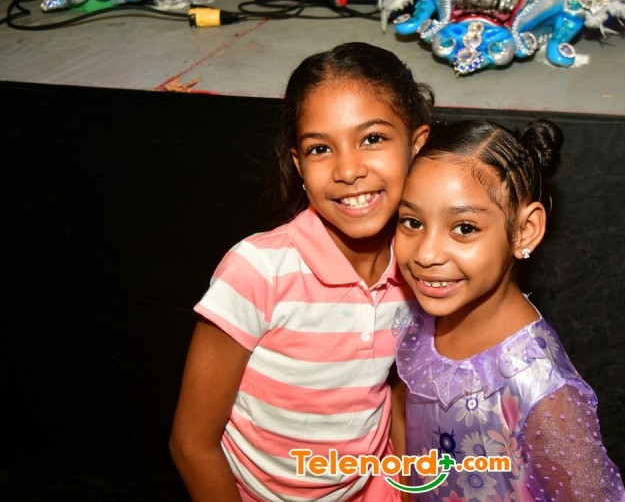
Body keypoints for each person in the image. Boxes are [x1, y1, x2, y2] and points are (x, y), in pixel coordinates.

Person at [168, 41, 434, 502]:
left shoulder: (420, 268)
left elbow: (396, 395)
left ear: (417, 145)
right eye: (320, 148)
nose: (348, 169)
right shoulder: (258, 271)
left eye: (372, 138)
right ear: (299, 165)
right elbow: (192, 444)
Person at [392, 119, 625, 501]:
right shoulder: (420, 323)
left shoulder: (541, 389)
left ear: (525, 230)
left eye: (464, 228)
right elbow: (405, 417)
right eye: (412, 222)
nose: (426, 254)